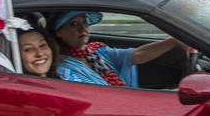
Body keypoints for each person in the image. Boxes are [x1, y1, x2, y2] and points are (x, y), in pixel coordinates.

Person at [51, 11, 183, 88]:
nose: (82, 28)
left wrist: (174, 41)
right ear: (59, 32)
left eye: (84, 22)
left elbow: (137, 55)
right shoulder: (65, 69)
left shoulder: (96, 52)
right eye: (74, 24)